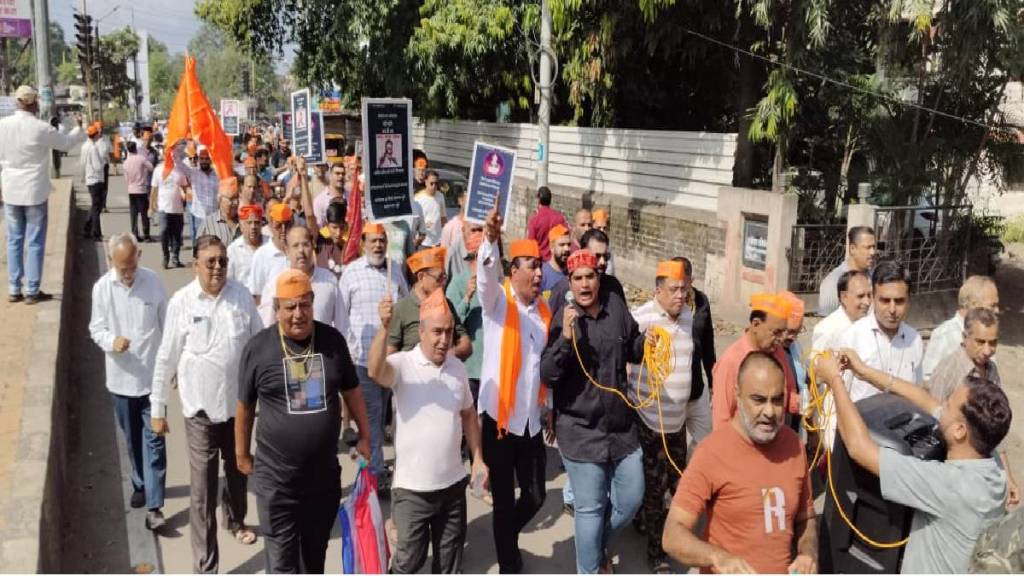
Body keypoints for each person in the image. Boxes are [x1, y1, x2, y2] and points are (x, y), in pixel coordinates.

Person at [817, 349, 1011, 574]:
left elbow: (859, 448)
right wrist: (864, 371)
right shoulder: (993, 464)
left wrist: (834, 380)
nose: (942, 405)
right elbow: (926, 401)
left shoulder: (949, 485)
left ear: (959, 431)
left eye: (948, 404)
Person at [235, 269, 372, 573]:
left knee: (314, 561)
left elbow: (352, 391)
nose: (298, 314)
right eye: (290, 307)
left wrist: (365, 435)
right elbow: (245, 407)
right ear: (277, 309)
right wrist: (242, 455)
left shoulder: (332, 341)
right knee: (283, 565)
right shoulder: (258, 349)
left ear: (312, 303)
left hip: (321, 481)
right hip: (276, 483)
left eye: (304, 305)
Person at [150, 236, 262, 573]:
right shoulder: (181, 302)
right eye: (210, 261)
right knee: (202, 492)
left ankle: (236, 520)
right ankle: (206, 565)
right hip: (199, 411)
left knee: (239, 471)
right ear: (195, 264)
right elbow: (166, 357)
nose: (217, 267)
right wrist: (158, 408)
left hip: (238, 408)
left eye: (222, 261)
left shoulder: (241, 297)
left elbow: (259, 346)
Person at [540, 249, 648, 573]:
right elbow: (547, 374)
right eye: (578, 278)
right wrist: (566, 339)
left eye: (590, 276)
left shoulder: (615, 305)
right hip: (581, 431)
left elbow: (632, 348)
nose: (585, 283)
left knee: (631, 498)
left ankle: (597, 545)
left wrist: (648, 342)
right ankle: (589, 568)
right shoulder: (564, 317)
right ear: (569, 283)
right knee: (590, 508)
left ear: (599, 279)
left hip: (620, 429)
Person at [366, 288, 488, 574]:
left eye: (448, 332)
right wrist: (384, 329)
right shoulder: (404, 365)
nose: (444, 340)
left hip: (453, 487)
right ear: (421, 331)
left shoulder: (458, 368)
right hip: (413, 490)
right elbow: (374, 371)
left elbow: (469, 416)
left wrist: (478, 458)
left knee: (449, 563)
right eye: (437, 332)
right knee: (409, 562)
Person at [663, 352, 817, 574]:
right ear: (737, 395)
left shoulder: (794, 445)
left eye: (777, 400)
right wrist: (718, 558)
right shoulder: (711, 453)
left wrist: (808, 554)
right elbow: (672, 535)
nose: (769, 412)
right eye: (758, 399)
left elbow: (807, 518)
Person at [474, 209, 551, 573]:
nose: (538, 273)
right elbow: (486, 277)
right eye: (530, 266)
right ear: (514, 271)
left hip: (531, 424)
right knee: (504, 503)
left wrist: (548, 406)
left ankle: (505, 536)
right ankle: (509, 563)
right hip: (500, 422)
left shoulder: (546, 313)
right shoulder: (498, 304)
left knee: (536, 496)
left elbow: (543, 370)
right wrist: (490, 239)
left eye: (540, 266)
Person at [629, 260, 709, 573]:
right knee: (654, 488)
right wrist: (640, 345)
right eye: (673, 290)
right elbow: (627, 352)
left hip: (677, 423)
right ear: (657, 291)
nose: (679, 295)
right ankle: (656, 554)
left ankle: (645, 522)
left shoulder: (689, 317)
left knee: (677, 485)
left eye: (683, 289)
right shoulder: (642, 317)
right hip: (651, 422)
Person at [89, 233, 168, 530]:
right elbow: (96, 328)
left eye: (132, 266)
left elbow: (168, 324)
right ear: (112, 263)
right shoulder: (102, 289)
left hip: (152, 379)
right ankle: (140, 480)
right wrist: (112, 340)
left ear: (138, 256)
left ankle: (155, 506)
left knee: (155, 440)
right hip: (121, 381)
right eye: (123, 269)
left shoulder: (153, 282)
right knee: (133, 439)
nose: (129, 273)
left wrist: (171, 366)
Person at [335, 223, 409, 486]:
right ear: (363, 242)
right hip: (362, 363)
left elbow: (407, 307)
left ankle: (372, 468)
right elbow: (341, 318)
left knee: (387, 420)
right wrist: (350, 350)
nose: (378, 245)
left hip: (390, 362)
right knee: (372, 422)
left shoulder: (395, 272)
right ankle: (374, 476)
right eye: (373, 240)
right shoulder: (351, 274)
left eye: (382, 240)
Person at [928, 307, 1018, 506]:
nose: (987, 350)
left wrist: (1007, 477)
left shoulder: (991, 371)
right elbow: (931, 421)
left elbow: (995, 429)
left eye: (993, 342)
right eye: (980, 342)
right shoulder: (949, 371)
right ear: (965, 338)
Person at [836, 259, 923, 403]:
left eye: (899, 301)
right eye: (885, 300)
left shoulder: (914, 340)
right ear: (873, 298)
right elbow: (838, 397)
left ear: (909, 301)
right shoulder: (852, 337)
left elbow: (918, 394)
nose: (892, 309)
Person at [711, 293, 799, 429]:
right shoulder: (731, 361)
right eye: (776, 332)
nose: (781, 339)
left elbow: (790, 393)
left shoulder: (778, 351)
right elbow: (722, 420)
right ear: (756, 324)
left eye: (783, 332)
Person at [387, 246, 472, 359]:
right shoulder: (402, 309)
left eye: (444, 277)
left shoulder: (447, 305)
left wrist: (448, 355)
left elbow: (465, 343)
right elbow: (389, 354)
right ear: (421, 277)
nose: (443, 284)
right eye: (438, 278)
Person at [257, 227, 342, 328]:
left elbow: (343, 325)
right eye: (295, 246)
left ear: (313, 246)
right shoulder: (276, 284)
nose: (301, 250)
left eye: (306, 244)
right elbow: (266, 327)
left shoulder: (329, 280)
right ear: (287, 251)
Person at [922, 275, 999, 380]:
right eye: (992, 305)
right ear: (974, 304)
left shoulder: (988, 337)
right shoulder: (945, 335)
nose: (997, 310)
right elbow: (927, 380)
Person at [548, 229, 626, 317]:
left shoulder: (613, 286)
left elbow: (625, 322)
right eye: (597, 256)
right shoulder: (563, 289)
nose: (602, 262)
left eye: (605, 256)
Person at [445, 230, 484, 403]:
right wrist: (467, 298)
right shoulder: (458, 282)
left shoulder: (496, 284)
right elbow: (449, 321)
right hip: (469, 368)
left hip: (491, 368)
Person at [818, 226, 877, 315]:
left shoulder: (875, 279)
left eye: (873, 247)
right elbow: (826, 324)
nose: (873, 252)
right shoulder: (833, 283)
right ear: (852, 249)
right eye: (868, 247)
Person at [810, 270, 872, 354]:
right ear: (844, 297)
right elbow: (817, 364)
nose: (867, 302)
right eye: (860, 296)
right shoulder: (827, 330)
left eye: (869, 295)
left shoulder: (871, 325)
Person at [174, 142, 220, 246]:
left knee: (213, 244)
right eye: (202, 159)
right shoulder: (193, 173)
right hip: (199, 215)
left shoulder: (217, 175)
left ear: (210, 160)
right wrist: (176, 146)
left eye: (206, 159)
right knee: (199, 244)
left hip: (214, 216)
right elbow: (178, 162)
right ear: (199, 160)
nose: (204, 161)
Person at [248, 203, 294, 305]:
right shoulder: (261, 255)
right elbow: (256, 295)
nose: (283, 230)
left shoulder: (298, 251)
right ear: (271, 225)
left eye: (287, 224)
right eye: (278, 225)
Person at [150, 159, 187, 269]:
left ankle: (175, 257)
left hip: (177, 209)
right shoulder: (158, 170)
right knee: (163, 231)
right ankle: (165, 256)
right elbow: (154, 189)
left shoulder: (179, 171)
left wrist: (185, 195)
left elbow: (185, 187)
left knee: (177, 235)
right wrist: (151, 205)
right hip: (163, 208)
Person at [122, 141, 155, 241]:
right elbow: (151, 167)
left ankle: (135, 234)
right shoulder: (141, 158)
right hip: (141, 189)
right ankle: (146, 234)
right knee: (144, 213)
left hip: (131, 189)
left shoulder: (126, 163)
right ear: (136, 148)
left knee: (133, 213)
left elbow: (126, 178)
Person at [81, 123, 107, 243]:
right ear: (95, 135)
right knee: (97, 208)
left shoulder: (84, 146)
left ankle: (87, 228)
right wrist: (103, 162)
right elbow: (97, 166)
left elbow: (82, 164)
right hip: (96, 179)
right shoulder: (93, 148)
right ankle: (96, 233)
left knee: (94, 206)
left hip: (89, 179)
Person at [197, 177, 241, 247]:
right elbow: (198, 252)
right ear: (220, 199)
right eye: (231, 198)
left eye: (237, 198)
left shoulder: (245, 221)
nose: (236, 202)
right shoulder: (208, 224)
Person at [227, 204, 265, 285]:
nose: (253, 227)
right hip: (242, 295)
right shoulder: (233, 250)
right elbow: (228, 281)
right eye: (249, 223)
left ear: (261, 225)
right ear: (241, 226)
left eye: (257, 223)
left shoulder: (270, 245)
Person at [444, 218, 484, 283]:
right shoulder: (453, 252)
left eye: (480, 230)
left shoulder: (488, 249)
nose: (477, 234)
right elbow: (445, 283)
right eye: (473, 230)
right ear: (463, 230)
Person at [315, 200, 348, 278]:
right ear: (326, 224)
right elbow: (309, 216)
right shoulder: (320, 241)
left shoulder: (349, 246)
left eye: (341, 228)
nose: (338, 233)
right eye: (334, 227)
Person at [415, 170, 447, 247]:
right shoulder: (417, 198)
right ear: (426, 182)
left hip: (438, 242)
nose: (434, 186)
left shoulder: (440, 196)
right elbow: (414, 221)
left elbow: (443, 218)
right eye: (431, 183)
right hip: (423, 242)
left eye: (436, 183)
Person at [540, 224, 571, 303]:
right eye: (562, 245)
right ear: (552, 247)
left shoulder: (572, 273)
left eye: (568, 244)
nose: (567, 249)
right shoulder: (542, 274)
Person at [311, 162, 346, 230]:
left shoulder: (351, 197)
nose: (341, 176)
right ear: (330, 175)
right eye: (337, 173)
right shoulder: (320, 200)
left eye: (343, 174)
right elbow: (318, 227)